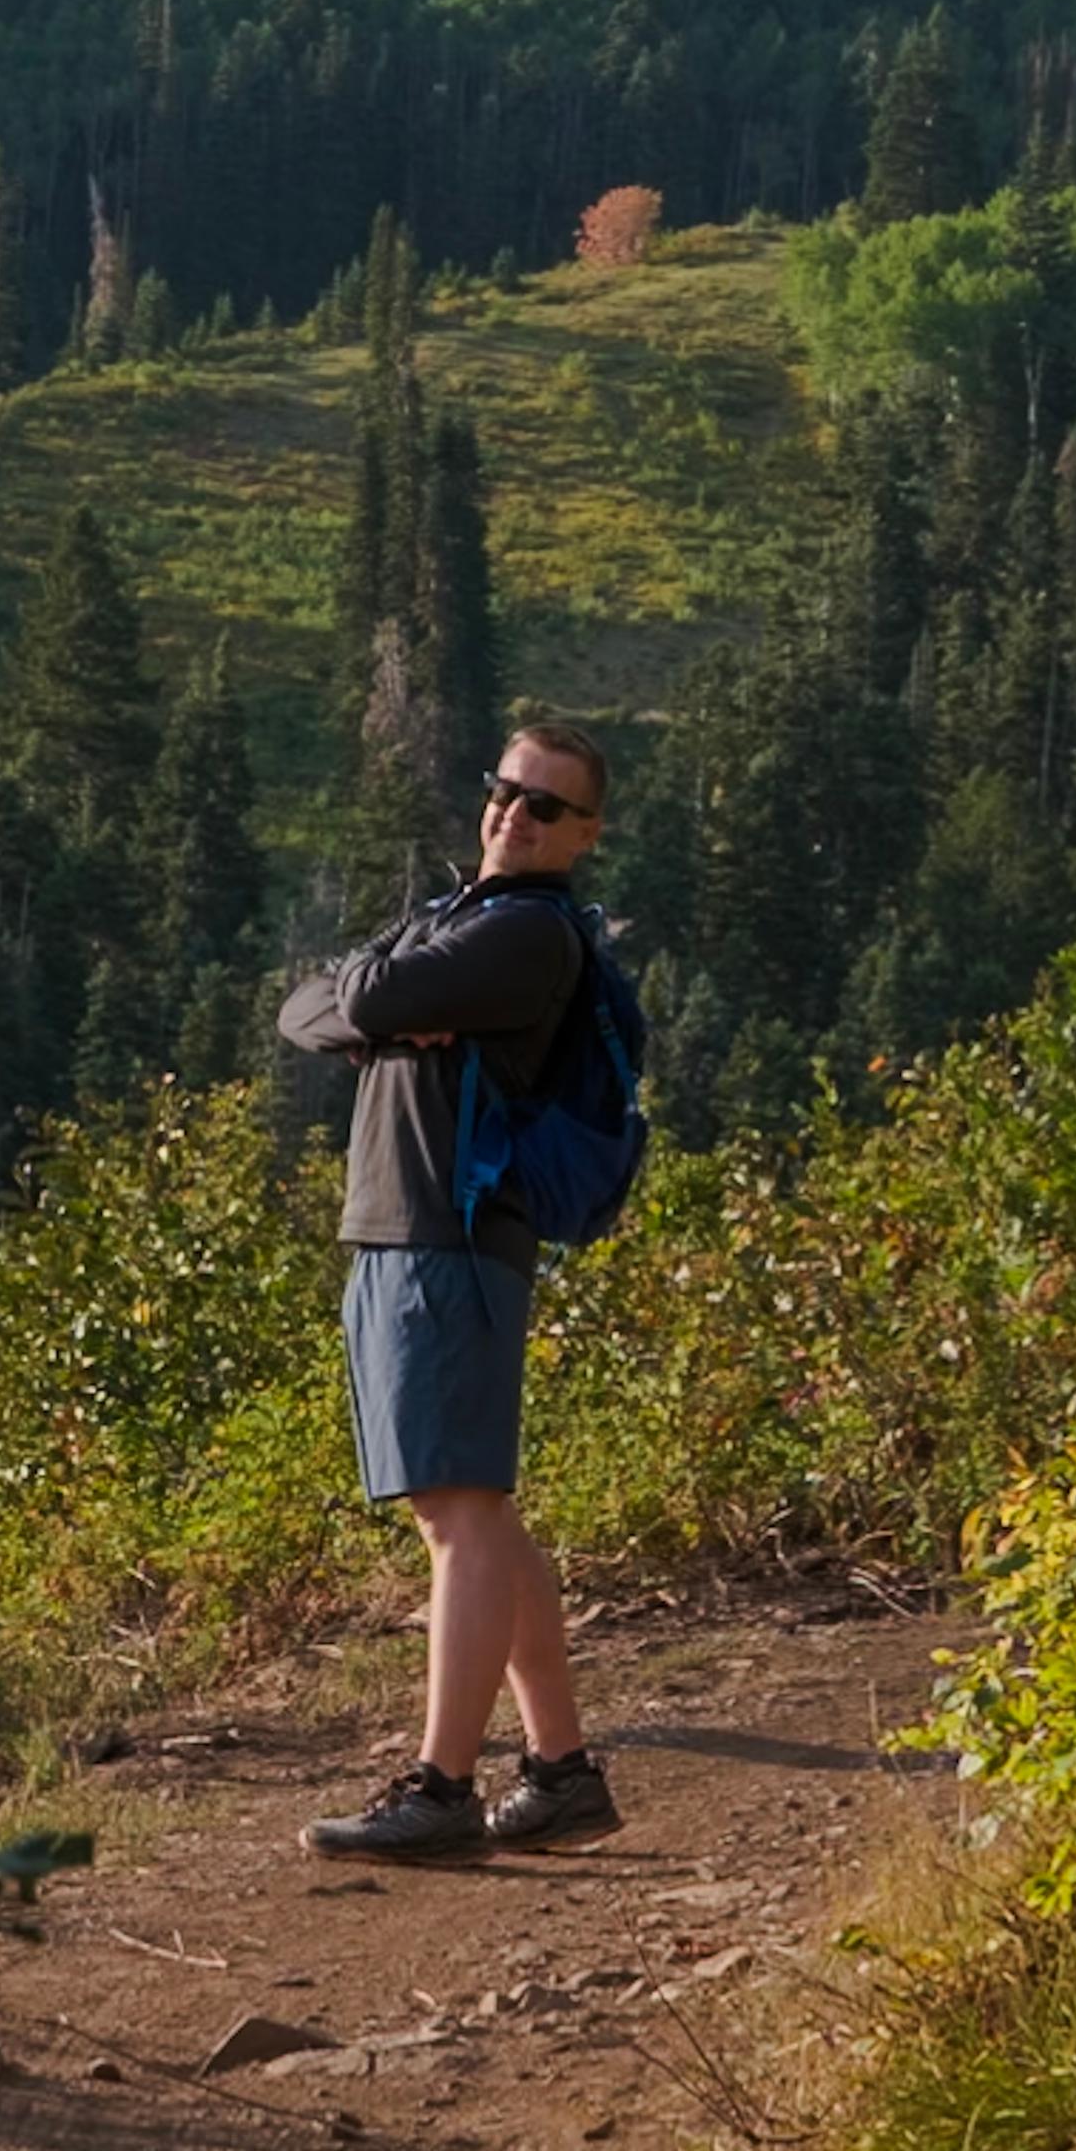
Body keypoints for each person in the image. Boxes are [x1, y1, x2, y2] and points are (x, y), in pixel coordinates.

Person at [278, 712, 627, 1860]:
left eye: (544, 805)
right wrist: (383, 996)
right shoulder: (459, 922)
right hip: (408, 1228)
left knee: (458, 1512)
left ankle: (441, 1785)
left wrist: (377, 997)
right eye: (505, 790)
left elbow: (355, 1003)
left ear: (585, 834)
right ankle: (562, 1770)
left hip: (452, 1232)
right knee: (475, 1505)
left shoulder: (529, 938)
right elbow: (306, 1008)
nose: (512, 814)